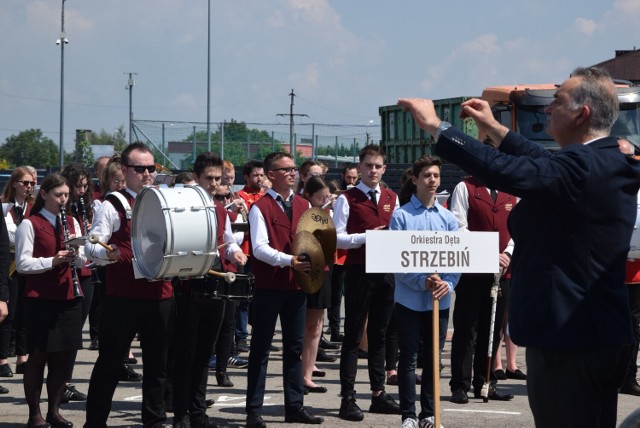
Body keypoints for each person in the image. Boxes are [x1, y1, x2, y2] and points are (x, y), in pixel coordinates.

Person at [398, 66, 640, 428]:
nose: (546, 110)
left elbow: (506, 170)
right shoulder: (602, 160)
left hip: (569, 340)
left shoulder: (583, 166)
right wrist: (496, 129)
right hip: (589, 334)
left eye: (556, 102)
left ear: (581, 113)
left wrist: (437, 127)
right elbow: (542, 160)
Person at [84, 142, 174, 428]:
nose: (147, 174)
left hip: (161, 293)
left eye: (152, 168)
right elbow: (92, 244)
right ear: (124, 170)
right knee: (110, 363)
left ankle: (155, 421)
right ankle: (95, 422)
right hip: (123, 296)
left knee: (158, 365)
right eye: (140, 168)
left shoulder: (165, 199)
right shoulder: (112, 204)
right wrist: (107, 253)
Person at [245, 151, 323, 427]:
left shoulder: (304, 204)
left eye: (293, 169)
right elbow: (259, 249)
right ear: (272, 175)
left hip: (297, 288)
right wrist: (288, 260)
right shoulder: (260, 208)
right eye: (286, 169)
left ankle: (294, 406)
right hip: (270, 287)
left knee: (294, 348)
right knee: (261, 349)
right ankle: (253, 410)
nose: (292, 173)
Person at [171, 152, 247, 428]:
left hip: (215, 284)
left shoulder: (220, 209)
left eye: (217, 178)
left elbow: (228, 240)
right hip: (188, 286)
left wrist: (237, 253)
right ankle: (181, 413)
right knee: (185, 354)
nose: (214, 183)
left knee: (204, 353)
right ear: (196, 177)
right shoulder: (183, 206)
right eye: (209, 178)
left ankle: (197, 412)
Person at [390, 156, 460, 428]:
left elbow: (458, 260)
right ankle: (408, 415)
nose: (433, 180)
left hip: (439, 302)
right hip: (409, 300)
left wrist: (449, 283)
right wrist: (422, 280)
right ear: (415, 180)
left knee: (433, 359)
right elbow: (395, 261)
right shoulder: (401, 216)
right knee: (407, 358)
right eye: (427, 176)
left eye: (436, 175)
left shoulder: (448, 219)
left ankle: (429, 414)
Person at [333, 144, 401, 421]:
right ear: (359, 168)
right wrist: (365, 237)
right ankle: (347, 398)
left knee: (380, 335)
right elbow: (336, 237)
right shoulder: (346, 199)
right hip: (359, 269)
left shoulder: (391, 196)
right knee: (352, 336)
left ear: (384, 169)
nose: (373, 170)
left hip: (386, 271)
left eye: (378, 166)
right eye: (368, 165)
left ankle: (377, 394)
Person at [16, 173, 87, 428]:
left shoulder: (72, 222)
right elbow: (23, 264)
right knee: (38, 357)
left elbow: (82, 263)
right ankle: (34, 414)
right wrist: (53, 261)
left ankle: (54, 411)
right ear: (44, 194)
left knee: (64, 358)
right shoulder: (30, 223)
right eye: (58, 195)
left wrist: (78, 254)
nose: (63, 199)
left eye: (66, 194)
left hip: (68, 297)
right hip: (40, 299)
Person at [447, 167, 516, 403]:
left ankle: (485, 382)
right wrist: (488, 253)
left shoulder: (510, 190)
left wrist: (506, 254)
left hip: (502, 271)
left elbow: (517, 228)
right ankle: (460, 384)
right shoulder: (464, 187)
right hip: (472, 271)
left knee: (492, 329)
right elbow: (459, 227)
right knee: (467, 329)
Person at [60, 164, 97, 404]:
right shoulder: (61, 207)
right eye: (77, 186)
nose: (81, 191)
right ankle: (61, 383)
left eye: (85, 186)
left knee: (76, 332)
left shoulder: (87, 207)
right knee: (68, 331)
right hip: (68, 270)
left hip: (87, 270)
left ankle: (67, 382)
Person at [0, 167, 36, 379]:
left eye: (31, 183)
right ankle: (3, 359)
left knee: (25, 312)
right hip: (9, 261)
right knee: (9, 312)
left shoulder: (32, 207)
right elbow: (9, 237)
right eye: (25, 183)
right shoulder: (4, 207)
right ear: (14, 183)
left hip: (27, 261)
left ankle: (23, 356)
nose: (29, 187)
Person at [300, 176, 334, 394]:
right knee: (306, 325)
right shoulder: (302, 213)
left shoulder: (328, 214)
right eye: (320, 198)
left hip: (324, 270)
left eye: (327, 197)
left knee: (317, 325)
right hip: (304, 271)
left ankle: (309, 370)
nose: (324, 201)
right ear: (308, 196)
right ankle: (302, 373)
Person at [235, 160, 266, 354]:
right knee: (243, 298)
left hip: (262, 254)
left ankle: (261, 334)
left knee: (259, 297)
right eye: (256, 175)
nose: (260, 178)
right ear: (247, 177)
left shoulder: (265, 196)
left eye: (262, 175)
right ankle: (241, 337)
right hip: (246, 252)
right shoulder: (240, 196)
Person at [618, 137, 640, 396]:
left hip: (635, 272)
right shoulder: (606, 184)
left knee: (633, 327)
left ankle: (627, 377)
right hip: (606, 268)